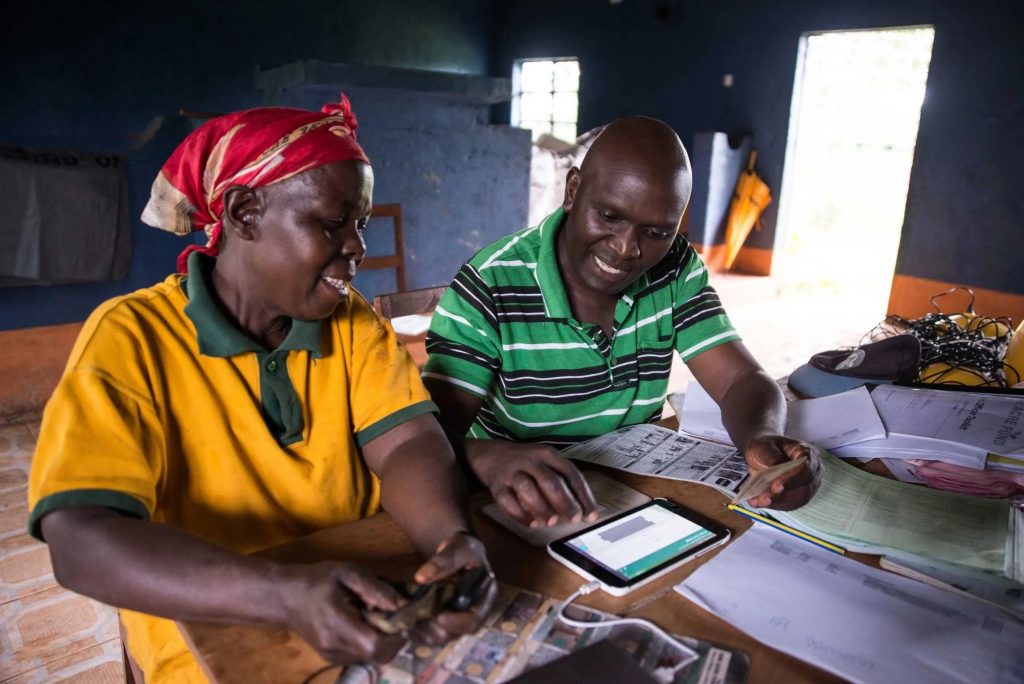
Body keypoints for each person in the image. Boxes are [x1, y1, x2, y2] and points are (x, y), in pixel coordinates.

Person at [27, 95, 495, 682]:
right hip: (211, 634)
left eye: (360, 225)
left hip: (358, 597)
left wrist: (450, 540)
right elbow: (79, 539)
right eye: (331, 222)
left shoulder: (353, 324)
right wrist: (282, 592)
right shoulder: (131, 337)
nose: (356, 246)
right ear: (245, 213)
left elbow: (406, 444)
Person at [423, 116, 820, 529]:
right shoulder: (491, 285)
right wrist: (490, 459)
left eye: (656, 231)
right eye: (610, 216)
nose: (626, 248)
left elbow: (740, 379)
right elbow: (425, 439)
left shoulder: (675, 268)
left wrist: (762, 437)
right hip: (527, 507)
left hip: (635, 493)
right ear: (573, 190)